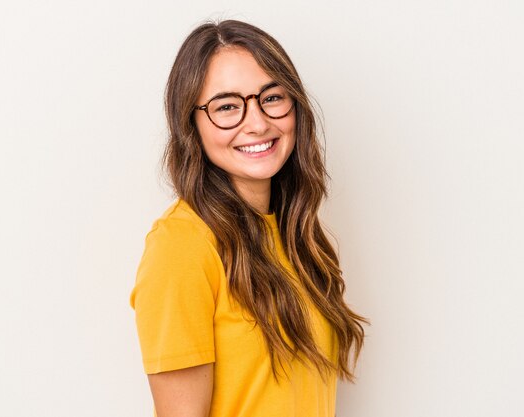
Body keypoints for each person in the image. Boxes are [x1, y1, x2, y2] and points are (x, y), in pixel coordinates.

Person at [130, 19, 368, 417]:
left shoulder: (299, 235)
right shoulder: (182, 245)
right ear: (192, 124)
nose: (257, 123)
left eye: (272, 97)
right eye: (226, 106)